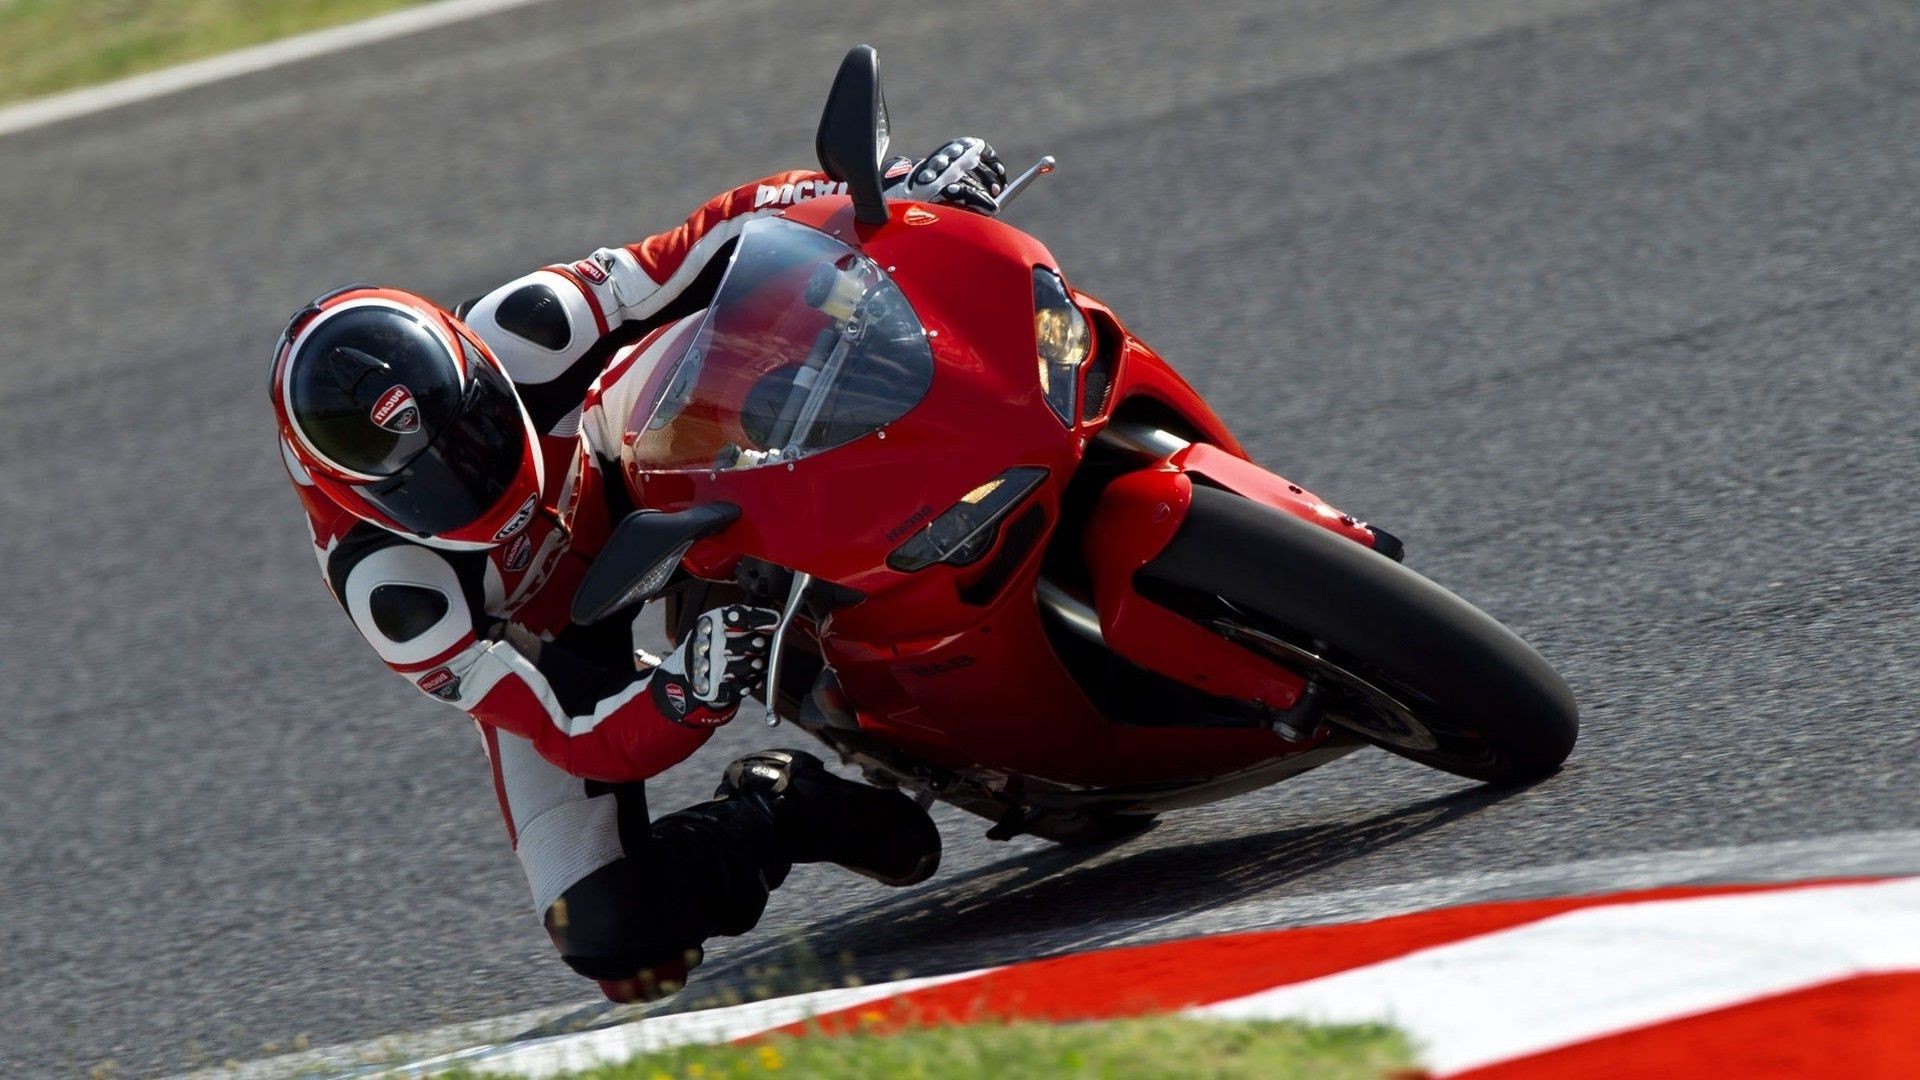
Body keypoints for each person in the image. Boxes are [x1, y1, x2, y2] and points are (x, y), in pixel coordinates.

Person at [269, 140, 1009, 1001]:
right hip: (560, 649)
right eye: (431, 478)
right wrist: (683, 698)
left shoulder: (525, 327)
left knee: (793, 317)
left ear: (476, 366)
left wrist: (879, 187)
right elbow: (572, 735)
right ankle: (780, 810)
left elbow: (705, 240)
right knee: (613, 938)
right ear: (355, 496)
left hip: (638, 472)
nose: (472, 473)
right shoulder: (394, 591)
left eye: (476, 428)